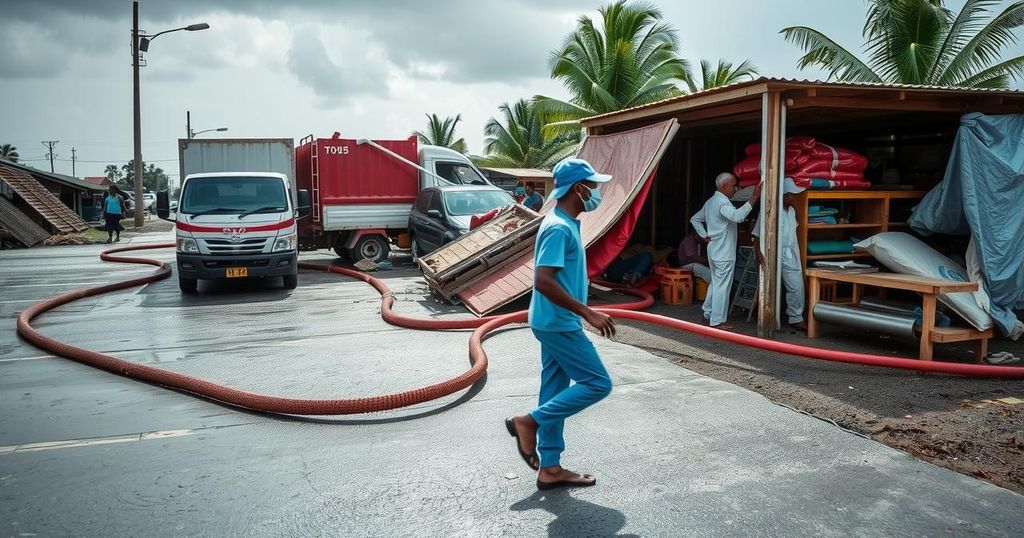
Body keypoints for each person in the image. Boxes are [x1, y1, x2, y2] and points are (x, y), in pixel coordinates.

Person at [505, 157, 616, 491]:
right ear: (579, 189)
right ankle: (528, 422)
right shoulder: (558, 227)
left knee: (554, 389)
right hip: (558, 322)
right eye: (592, 186)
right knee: (598, 383)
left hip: (552, 321)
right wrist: (588, 312)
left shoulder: (565, 223)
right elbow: (544, 281)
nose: (596, 192)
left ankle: (550, 467)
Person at [690, 172, 762, 329]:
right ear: (725, 186)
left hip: (713, 248)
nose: (736, 189)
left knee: (716, 283)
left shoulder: (711, 202)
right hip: (723, 251)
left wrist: (704, 236)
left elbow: (695, 219)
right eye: (734, 185)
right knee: (722, 286)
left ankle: (708, 312)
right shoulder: (723, 203)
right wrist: (754, 198)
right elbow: (737, 216)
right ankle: (717, 321)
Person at [752, 178, 807, 330]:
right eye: (790, 195)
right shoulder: (770, 209)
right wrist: (758, 252)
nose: (793, 197)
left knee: (796, 285)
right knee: (768, 286)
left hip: (790, 253)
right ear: (782, 195)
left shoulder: (792, 210)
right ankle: (764, 316)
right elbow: (757, 233)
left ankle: (796, 318)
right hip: (772, 253)